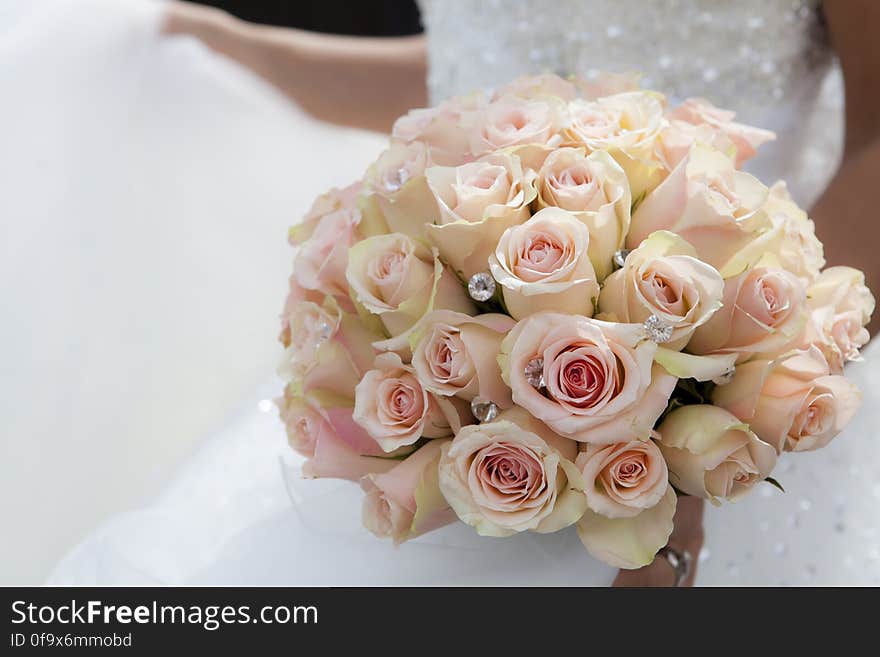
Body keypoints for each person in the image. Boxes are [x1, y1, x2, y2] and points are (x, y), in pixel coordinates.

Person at [48, 0, 880, 587]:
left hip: (748, 369)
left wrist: (704, 441)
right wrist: (241, 48)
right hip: (463, 397)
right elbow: (472, 63)